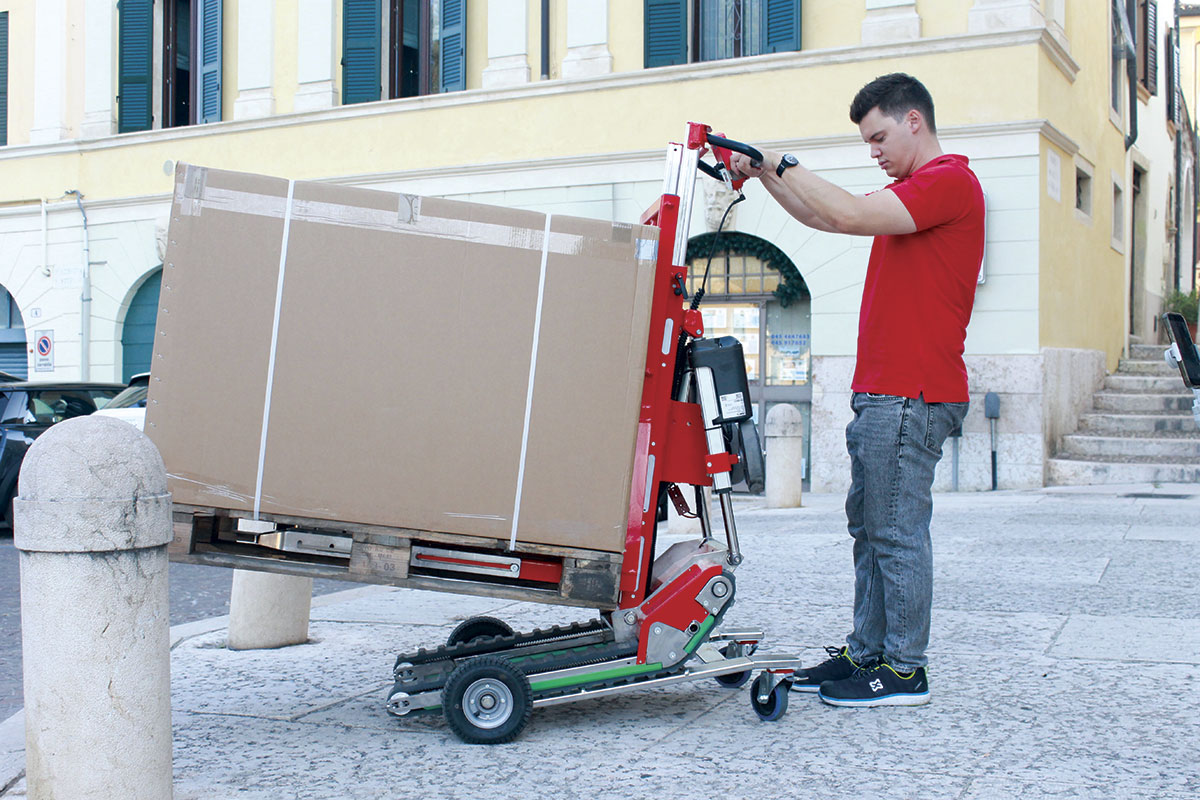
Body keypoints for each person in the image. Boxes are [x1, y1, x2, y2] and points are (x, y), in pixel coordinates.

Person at [731, 73, 984, 707]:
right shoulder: (912, 193)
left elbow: (844, 210)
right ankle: (868, 652)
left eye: (879, 137)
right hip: (885, 391)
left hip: (911, 392)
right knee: (869, 527)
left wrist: (777, 160)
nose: (874, 151)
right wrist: (765, 176)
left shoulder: (948, 181)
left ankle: (903, 669)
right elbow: (826, 216)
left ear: (914, 122)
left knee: (895, 530)